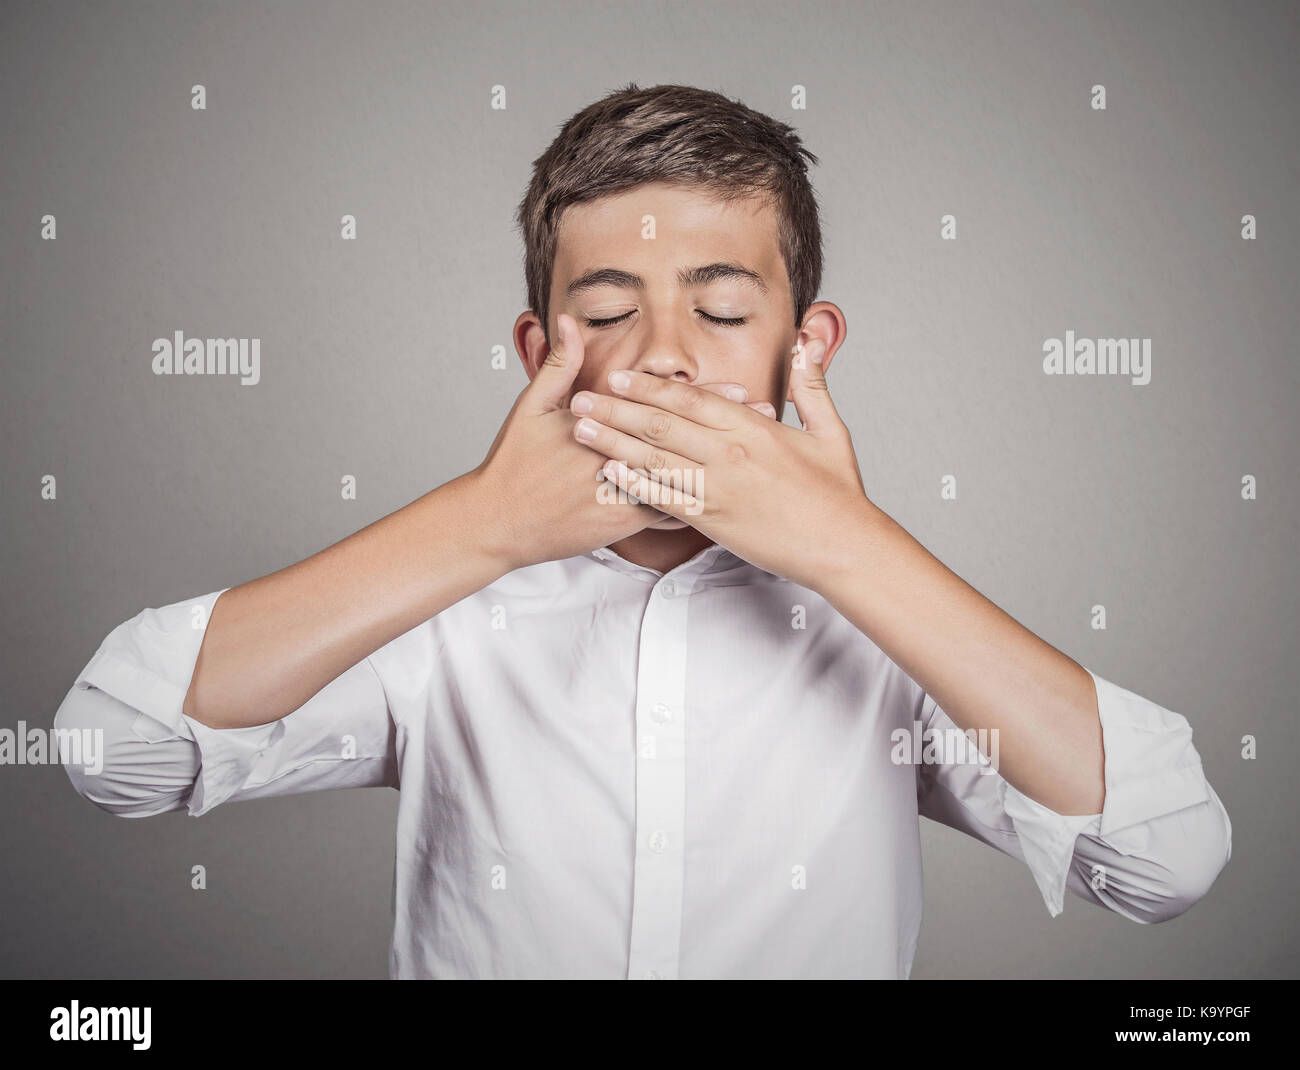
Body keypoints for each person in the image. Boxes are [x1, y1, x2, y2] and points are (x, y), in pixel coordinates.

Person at [53, 83, 1232, 979]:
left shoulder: (883, 631)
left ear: (804, 346)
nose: (665, 351)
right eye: (609, 308)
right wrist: (479, 525)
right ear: (540, 354)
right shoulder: (444, 614)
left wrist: (845, 543)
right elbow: (118, 753)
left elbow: (1164, 859)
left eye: (721, 308)